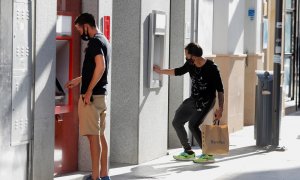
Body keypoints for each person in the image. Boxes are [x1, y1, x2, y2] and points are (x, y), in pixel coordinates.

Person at [153, 42, 224, 163]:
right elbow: (178, 71)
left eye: (187, 55)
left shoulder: (212, 67)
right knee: (177, 121)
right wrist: (160, 71)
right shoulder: (190, 64)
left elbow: (220, 89)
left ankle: (208, 154)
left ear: (194, 56)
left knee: (193, 124)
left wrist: (220, 108)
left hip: (207, 101)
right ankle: (188, 151)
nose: (186, 57)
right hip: (194, 99)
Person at [65, 13, 111, 180]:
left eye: (79, 28)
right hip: (101, 96)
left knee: (93, 139)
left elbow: (101, 66)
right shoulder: (104, 40)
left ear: (86, 25)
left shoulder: (95, 42)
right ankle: (104, 175)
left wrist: (89, 90)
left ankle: (95, 177)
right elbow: (96, 70)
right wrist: (80, 80)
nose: (79, 32)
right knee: (100, 136)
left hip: (91, 98)